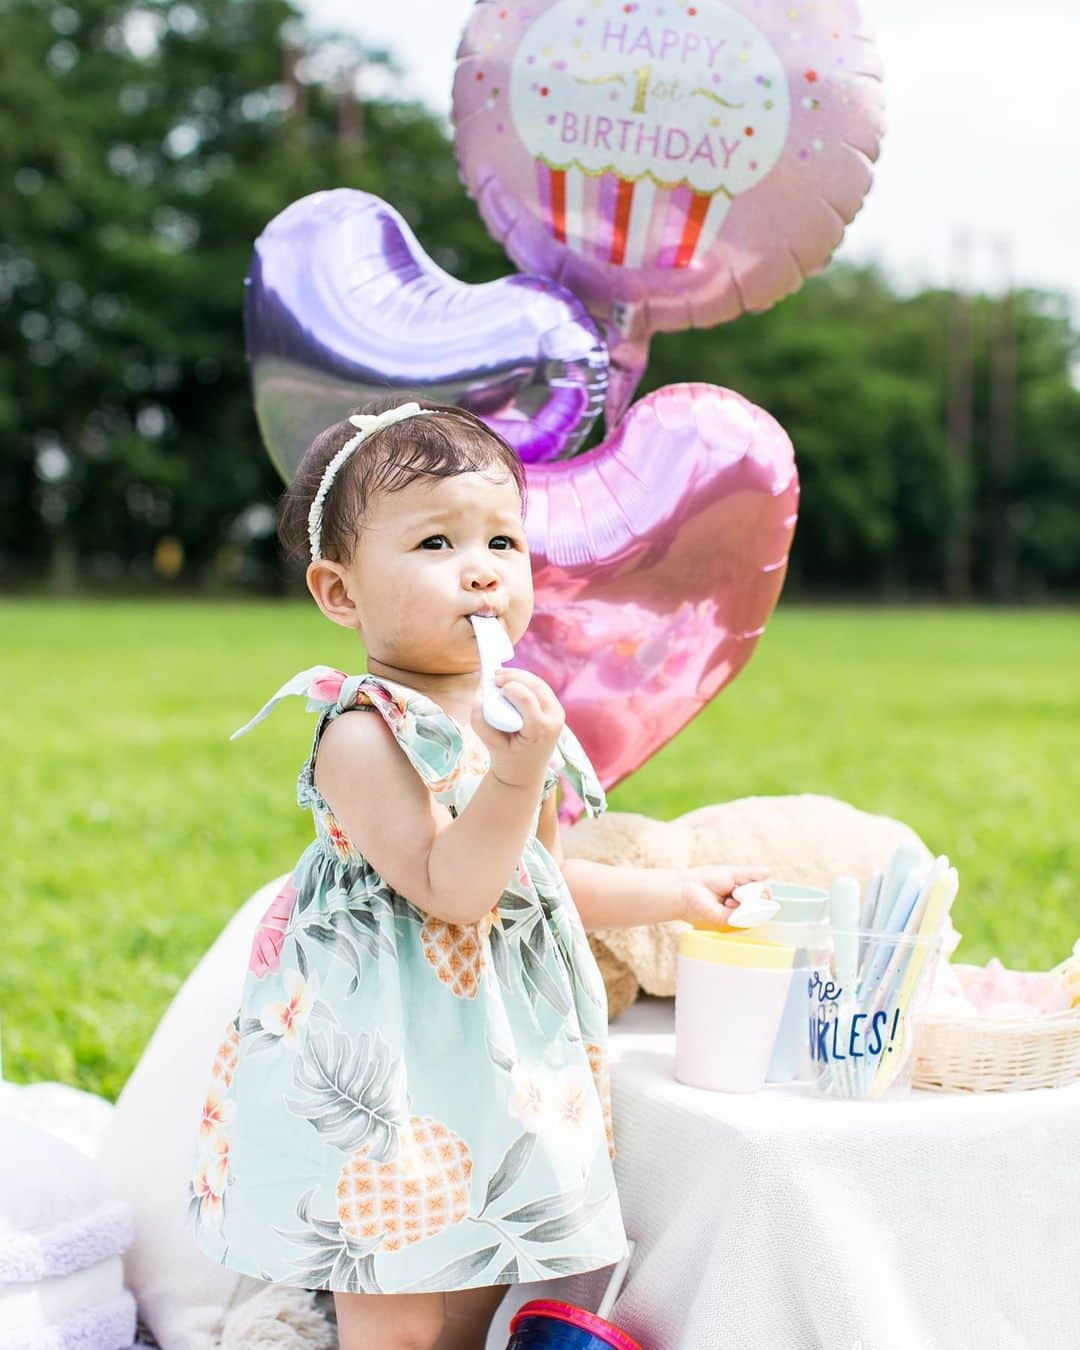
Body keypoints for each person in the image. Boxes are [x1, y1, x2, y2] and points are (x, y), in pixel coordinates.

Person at [186, 398, 768, 1350]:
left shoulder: (510, 720)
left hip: (488, 1060)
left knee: (470, 1297)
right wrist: (516, 769)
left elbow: (531, 875)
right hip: (387, 1064)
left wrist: (676, 896)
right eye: (435, 543)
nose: (482, 568)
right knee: (396, 1305)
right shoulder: (365, 732)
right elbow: (452, 888)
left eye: (503, 539)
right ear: (341, 594)